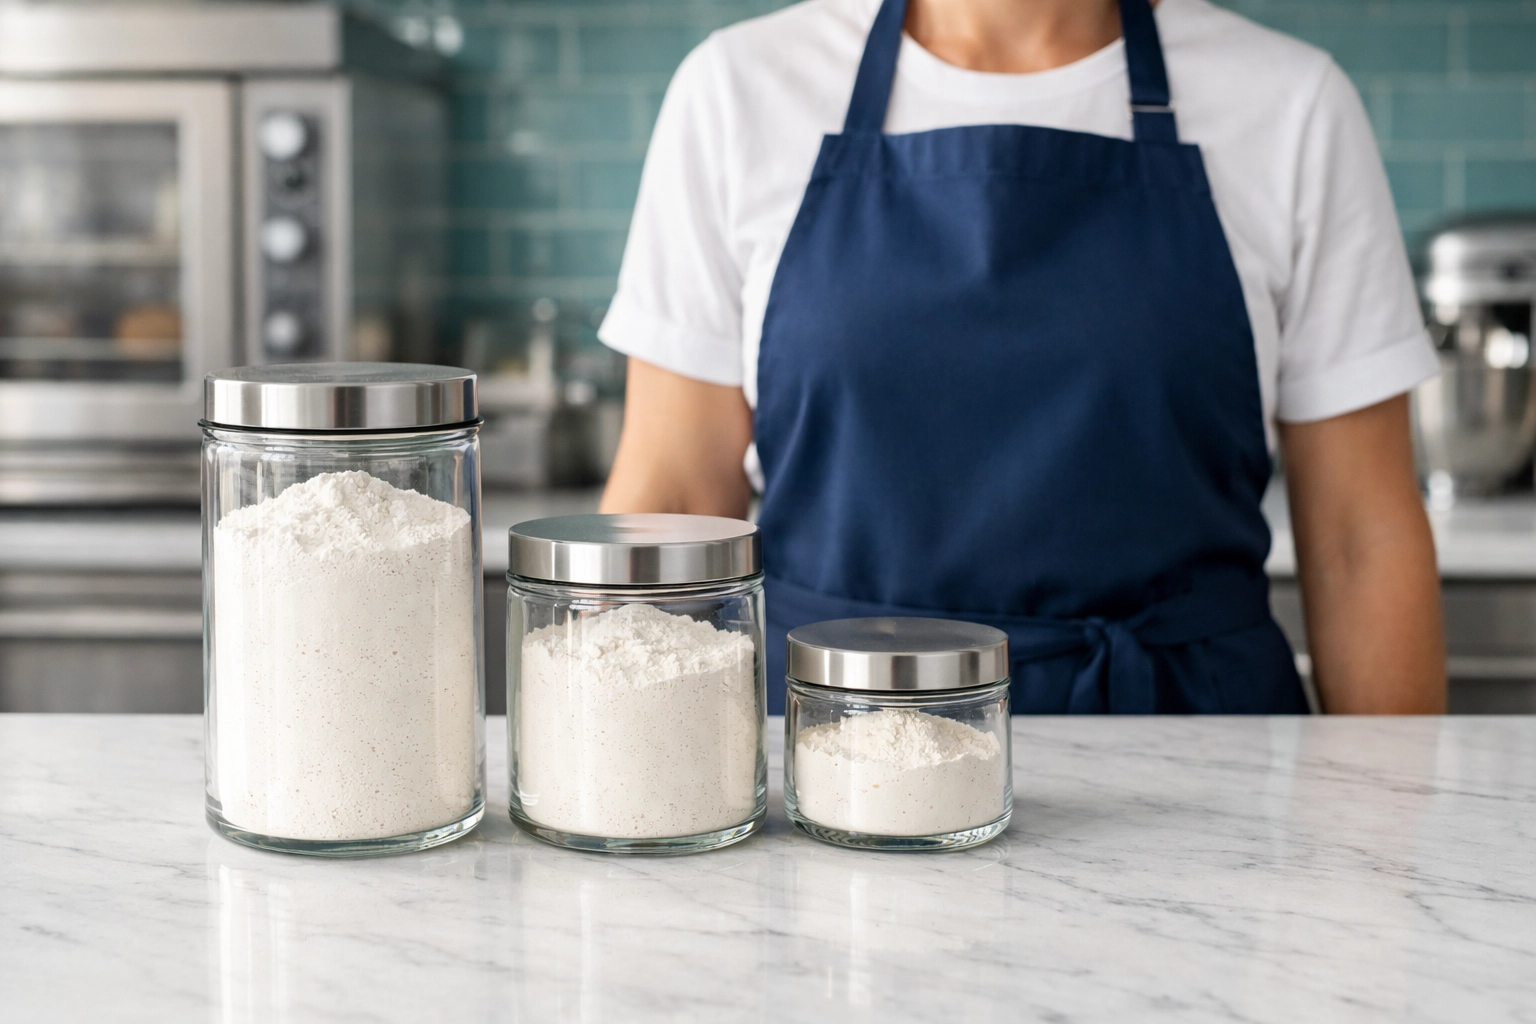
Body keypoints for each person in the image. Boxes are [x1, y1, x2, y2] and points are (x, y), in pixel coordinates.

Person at [596, 0, 1448, 715]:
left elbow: (1358, 538)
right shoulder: (741, 90)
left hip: (1191, 752)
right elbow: (673, 500)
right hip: (829, 750)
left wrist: (1385, 864)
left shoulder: (1291, 105)